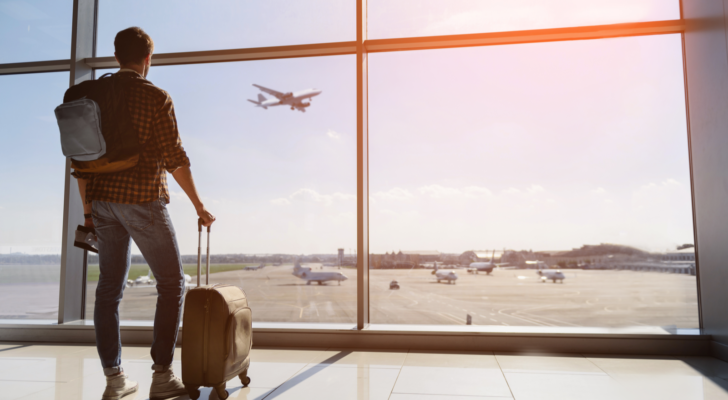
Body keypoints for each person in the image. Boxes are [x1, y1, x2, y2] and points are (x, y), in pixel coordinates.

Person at [72, 27, 215, 400]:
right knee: (171, 283)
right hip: (141, 199)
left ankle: (114, 380)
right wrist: (199, 205)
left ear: (117, 56)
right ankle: (162, 375)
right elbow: (175, 159)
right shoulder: (155, 97)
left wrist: (89, 213)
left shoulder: (93, 96)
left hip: (101, 202)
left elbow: (81, 164)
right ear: (148, 59)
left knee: (109, 290)